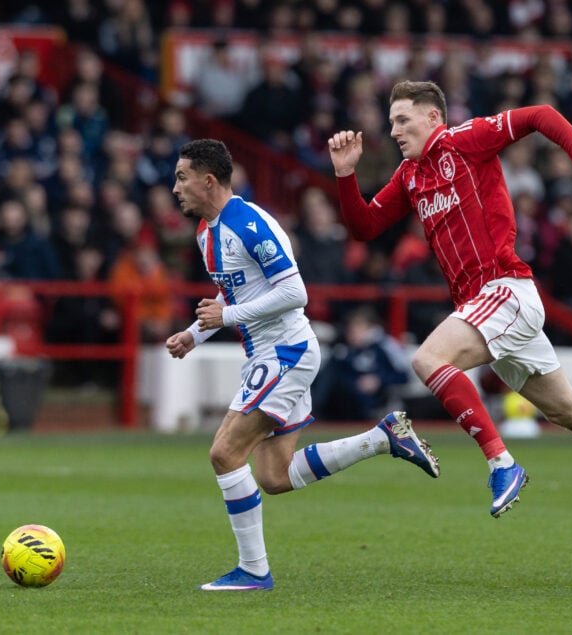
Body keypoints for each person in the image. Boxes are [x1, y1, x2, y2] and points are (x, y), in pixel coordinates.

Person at [327, 80, 572, 526]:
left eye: (403, 120)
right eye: (391, 123)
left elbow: (540, 114)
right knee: (565, 409)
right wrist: (345, 174)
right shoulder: (410, 176)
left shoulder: (465, 141)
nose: (395, 131)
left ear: (433, 118)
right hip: (485, 306)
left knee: (428, 359)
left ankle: (502, 464)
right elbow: (364, 226)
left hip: (505, 289)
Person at [165, 139, 438, 592]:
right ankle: (381, 438)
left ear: (208, 180)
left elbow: (295, 294)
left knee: (224, 453)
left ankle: (253, 571)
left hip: (285, 351)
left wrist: (227, 317)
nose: (175, 188)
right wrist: (194, 335)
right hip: (270, 354)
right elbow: (233, 297)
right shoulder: (205, 233)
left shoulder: (249, 223)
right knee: (274, 476)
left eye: (181, 177)